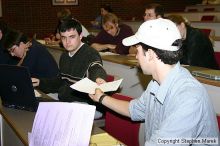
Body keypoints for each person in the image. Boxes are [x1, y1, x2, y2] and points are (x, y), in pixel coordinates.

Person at [89, 18, 219, 145]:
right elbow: (133, 110)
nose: (136, 56)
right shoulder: (156, 83)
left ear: (150, 54)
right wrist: (101, 97)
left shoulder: (189, 97)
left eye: (138, 50)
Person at [32, 18, 107, 119]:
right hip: (67, 98)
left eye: (72, 37)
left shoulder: (90, 53)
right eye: (63, 38)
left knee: (57, 115)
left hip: (88, 103)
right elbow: (61, 81)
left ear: (80, 36)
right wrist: (40, 82)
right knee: (39, 103)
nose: (67, 42)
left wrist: (99, 78)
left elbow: (96, 67)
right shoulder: (64, 56)